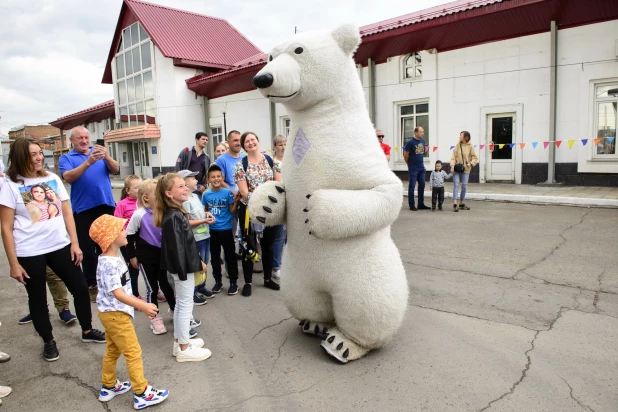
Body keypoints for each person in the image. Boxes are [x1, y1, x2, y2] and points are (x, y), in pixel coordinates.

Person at [0, 137, 105, 362]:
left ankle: (87, 331)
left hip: (60, 245)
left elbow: (67, 213)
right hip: (29, 251)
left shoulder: (52, 179)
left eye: (39, 153)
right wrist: (14, 263)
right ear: (20, 158)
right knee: (37, 297)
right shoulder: (10, 185)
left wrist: (74, 243)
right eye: (33, 155)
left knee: (79, 287)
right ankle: (48, 341)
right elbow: (6, 228)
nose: (39, 158)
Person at [89, 215, 169, 409]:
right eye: (122, 230)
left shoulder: (113, 257)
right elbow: (117, 293)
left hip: (111, 313)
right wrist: (142, 306)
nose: (126, 232)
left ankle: (108, 386)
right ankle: (141, 393)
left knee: (113, 350)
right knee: (133, 352)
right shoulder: (109, 263)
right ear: (111, 236)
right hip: (115, 315)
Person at [155, 173, 211, 362]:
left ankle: (180, 341)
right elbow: (179, 249)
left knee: (181, 305)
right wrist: (191, 268)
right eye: (180, 186)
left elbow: (186, 244)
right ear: (169, 194)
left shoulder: (176, 213)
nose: (185, 187)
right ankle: (184, 349)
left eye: (184, 185)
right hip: (183, 269)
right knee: (185, 306)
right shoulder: (174, 217)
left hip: (183, 267)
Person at [59, 126, 118, 302]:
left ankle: (111, 280)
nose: (84, 141)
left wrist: (106, 156)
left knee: (107, 246)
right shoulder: (66, 158)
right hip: (83, 208)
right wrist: (88, 162)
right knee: (88, 250)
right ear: (72, 140)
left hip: (105, 204)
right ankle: (91, 284)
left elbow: (115, 169)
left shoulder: (98, 153)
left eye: (86, 137)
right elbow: (68, 177)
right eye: (80, 138)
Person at [126, 179, 176, 335]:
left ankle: (174, 310)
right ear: (146, 197)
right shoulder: (138, 214)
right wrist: (132, 257)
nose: (160, 196)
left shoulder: (165, 211)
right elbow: (129, 237)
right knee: (152, 288)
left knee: (167, 285)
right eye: (156, 193)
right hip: (146, 258)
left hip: (164, 257)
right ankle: (154, 318)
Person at [234, 132, 281, 297]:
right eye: (247, 141)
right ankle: (248, 281)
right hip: (249, 210)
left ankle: (267, 279)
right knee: (249, 245)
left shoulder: (271, 160)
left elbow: (278, 183)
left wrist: (269, 202)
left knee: (268, 245)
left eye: (253, 139)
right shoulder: (241, 164)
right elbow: (244, 191)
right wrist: (258, 202)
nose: (250, 143)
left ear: (258, 141)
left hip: (270, 210)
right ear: (244, 146)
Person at [177, 170, 216, 304]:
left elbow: (199, 213)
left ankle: (201, 287)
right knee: (197, 265)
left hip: (205, 235)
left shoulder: (195, 196)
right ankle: (193, 293)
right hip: (196, 238)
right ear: (185, 183)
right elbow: (187, 223)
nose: (196, 180)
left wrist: (207, 214)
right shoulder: (185, 201)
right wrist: (204, 221)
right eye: (193, 178)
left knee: (205, 262)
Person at [202, 165, 241, 295]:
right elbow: (205, 210)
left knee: (230, 256)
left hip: (226, 229)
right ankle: (218, 281)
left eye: (218, 176)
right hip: (212, 230)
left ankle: (233, 282)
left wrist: (235, 202)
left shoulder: (228, 193)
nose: (216, 179)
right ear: (208, 179)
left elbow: (232, 211)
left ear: (222, 177)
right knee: (214, 258)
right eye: (213, 177)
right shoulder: (206, 194)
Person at [114, 175, 142, 298]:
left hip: (143, 241)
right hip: (128, 243)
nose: (140, 190)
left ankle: (155, 290)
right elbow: (117, 224)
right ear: (128, 190)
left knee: (149, 268)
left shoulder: (144, 202)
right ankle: (134, 295)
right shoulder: (122, 204)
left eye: (141, 187)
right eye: (136, 188)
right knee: (134, 269)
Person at [216, 130, 243, 237]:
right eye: (235, 140)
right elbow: (220, 181)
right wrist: (234, 193)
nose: (238, 143)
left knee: (246, 231)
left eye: (240, 140)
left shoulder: (244, 158)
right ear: (228, 142)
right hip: (230, 201)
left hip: (244, 199)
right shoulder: (221, 160)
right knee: (231, 232)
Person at [175, 132, 211, 199]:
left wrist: (204, 185)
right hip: (185, 185)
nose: (205, 141)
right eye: (203, 139)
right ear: (197, 140)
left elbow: (207, 173)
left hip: (198, 188)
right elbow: (178, 167)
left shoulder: (206, 157)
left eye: (207, 140)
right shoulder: (186, 151)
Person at [450, 131, 479, 212]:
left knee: (464, 187)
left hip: (466, 169)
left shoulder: (470, 146)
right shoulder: (457, 145)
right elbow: (453, 156)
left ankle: (461, 203)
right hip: (457, 168)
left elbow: (475, 158)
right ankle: (455, 204)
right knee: (456, 185)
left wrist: (471, 164)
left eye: (461, 135)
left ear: (466, 137)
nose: (459, 137)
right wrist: (452, 165)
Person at [271, 134, 287, 280]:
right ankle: (276, 267)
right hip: (280, 202)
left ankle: (287, 265)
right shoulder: (273, 163)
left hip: (293, 201)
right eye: (280, 144)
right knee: (279, 237)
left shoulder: (291, 161)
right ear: (274, 147)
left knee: (290, 237)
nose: (283, 147)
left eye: (285, 144)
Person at [403, 126, 430, 211]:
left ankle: (420, 204)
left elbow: (421, 153)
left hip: (421, 167)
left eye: (423, 132)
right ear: (415, 133)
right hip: (413, 167)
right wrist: (409, 164)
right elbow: (405, 155)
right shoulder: (410, 142)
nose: (422, 133)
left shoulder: (422, 140)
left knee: (422, 184)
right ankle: (412, 205)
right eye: (421, 132)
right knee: (412, 185)